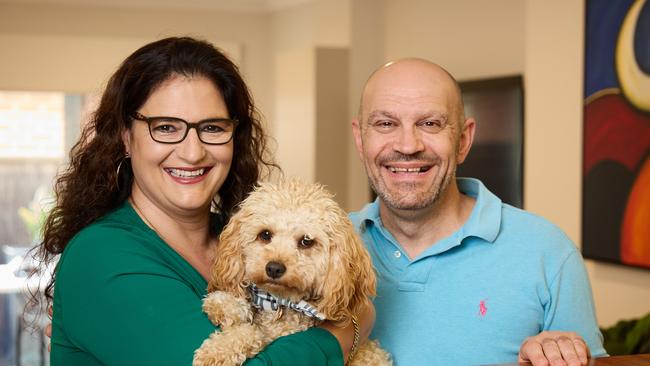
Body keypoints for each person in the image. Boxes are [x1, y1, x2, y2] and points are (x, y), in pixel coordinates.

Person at [33, 37, 369, 366]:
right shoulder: (100, 256)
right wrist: (347, 329)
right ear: (125, 137)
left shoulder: (241, 237)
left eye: (211, 127)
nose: (193, 153)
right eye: (165, 127)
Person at [348, 58, 608, 366]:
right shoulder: (315, 248)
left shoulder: (547, 251)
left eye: (430, 123)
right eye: (385, 124)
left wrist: (561, 352)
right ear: (360, 139)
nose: (407, 145)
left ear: (463, 140)